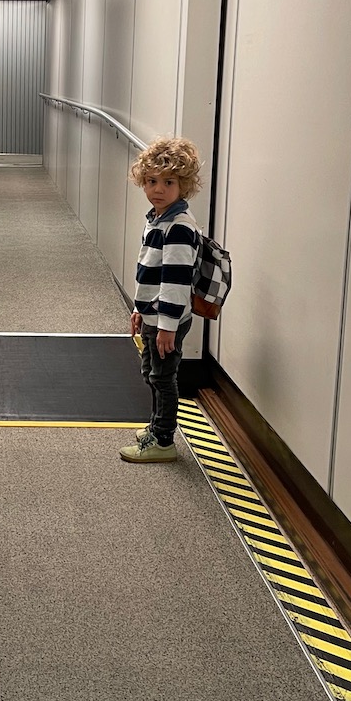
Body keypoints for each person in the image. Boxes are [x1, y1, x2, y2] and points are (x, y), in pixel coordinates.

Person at [122, 136, 203, 464]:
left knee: (162, 376)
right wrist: (140, 309)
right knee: (151, 372)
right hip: (155, 315)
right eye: (152, 181)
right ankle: (158, 426)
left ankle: (164, 439)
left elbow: (175, 283)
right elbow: (150, 273)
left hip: (167, 319)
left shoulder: (178, 228)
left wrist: (167, 327)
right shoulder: (158, 219)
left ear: (184, 185)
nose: (158, 189)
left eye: (169, 182)